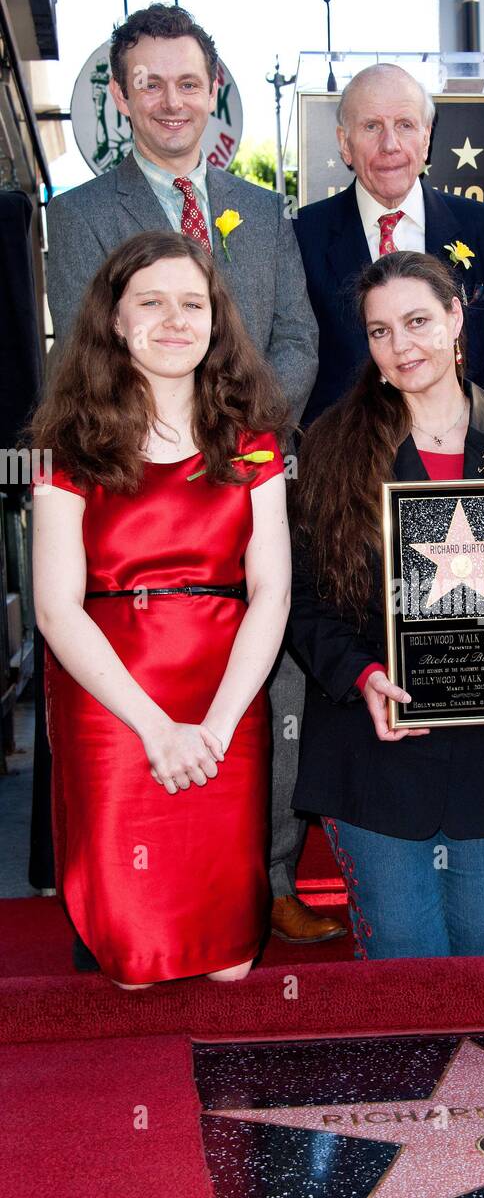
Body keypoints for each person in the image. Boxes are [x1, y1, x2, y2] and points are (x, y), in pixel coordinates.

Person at [41, 2, 339, 947]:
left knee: (271, 687)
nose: (172, 101)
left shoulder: (261, 209)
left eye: (189, 82)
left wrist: (234, 429)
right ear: (121, 97)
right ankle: (126, 885)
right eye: (151, 84)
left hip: (248, 469)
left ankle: (269, 878)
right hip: (133, 484)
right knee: (132, 675)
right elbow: (88, 354)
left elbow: (299, 336)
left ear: (216, 93)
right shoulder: (79, 217)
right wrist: (163, 441)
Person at [287, 251, 484, 959]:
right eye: (380, 331)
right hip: (377, 744)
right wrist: (363, 678)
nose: (402, 347)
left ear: (456, 318)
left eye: (418, 321)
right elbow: (305, 604)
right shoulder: (331, 445)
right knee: (404, 953)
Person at [29, 231, 292, 989]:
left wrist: (216, 725)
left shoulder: (254, 445)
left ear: (215, 321)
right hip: (111, 709)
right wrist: (154, 728)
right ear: (115, 320)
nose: (175, 320)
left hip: (226, 704)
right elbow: (55, 608)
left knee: (231, 966)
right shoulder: (63, 445)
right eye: (151, 302)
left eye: (192, 304)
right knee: (135, 966)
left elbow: (270, 591)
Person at [293, 63, 484, 427]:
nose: (390, 145)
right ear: (344, 143)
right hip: (343, 465)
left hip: (460, 465)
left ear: (426, 137)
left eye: (405, 125)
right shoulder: (300, 236)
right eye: (372, 127)